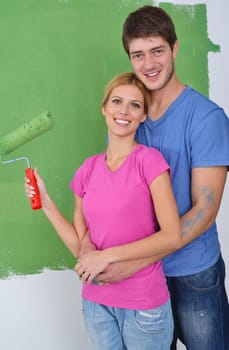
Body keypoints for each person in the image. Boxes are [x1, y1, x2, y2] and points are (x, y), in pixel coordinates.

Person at [91, 6, 229, 350]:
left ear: (175, 49)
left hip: (192, 273)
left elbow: (205, 210)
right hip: (141, 281)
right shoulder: (127, 117)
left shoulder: (207, 118)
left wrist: (132, 261)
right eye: (138, 54)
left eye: (157, 51)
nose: (149, 64)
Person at [25, 72, 181, 350]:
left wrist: (106, 256)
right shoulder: (87, 170)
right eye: (117, 101)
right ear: (104, 108)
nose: (124, 110)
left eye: (135, 105)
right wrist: (46, 202)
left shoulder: (149, 162)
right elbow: (82, 250)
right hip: (96, 305)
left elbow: (172, 236)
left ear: (143, 115)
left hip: (143, 307)